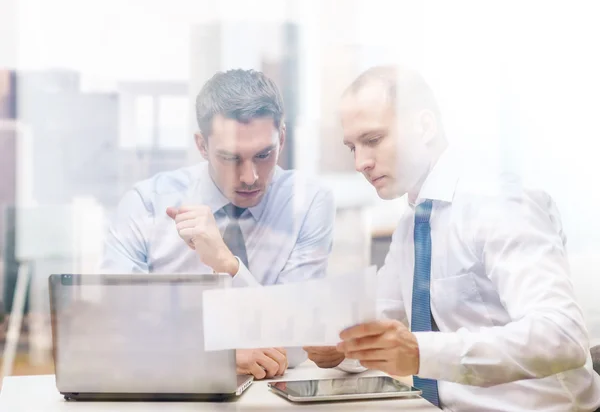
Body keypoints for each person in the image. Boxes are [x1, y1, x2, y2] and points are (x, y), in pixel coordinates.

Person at [304, 66, 600, 411]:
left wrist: (420, 352)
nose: (360, 163)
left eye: (372, 140)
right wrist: (341, 347)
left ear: (424, 126)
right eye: (352, 147)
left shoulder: (499, 203)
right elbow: (378, 322)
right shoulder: (412, 224)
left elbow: (562, 337)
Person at [100, 69, 335, 380]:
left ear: (282, 137)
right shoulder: (146, 205)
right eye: (230, 157)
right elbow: (117, 331)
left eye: (265, 154)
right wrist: (219, 355)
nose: (250, 177)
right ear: (202, 145)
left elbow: (297, 340)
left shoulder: (308, 202)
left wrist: (228, 265)